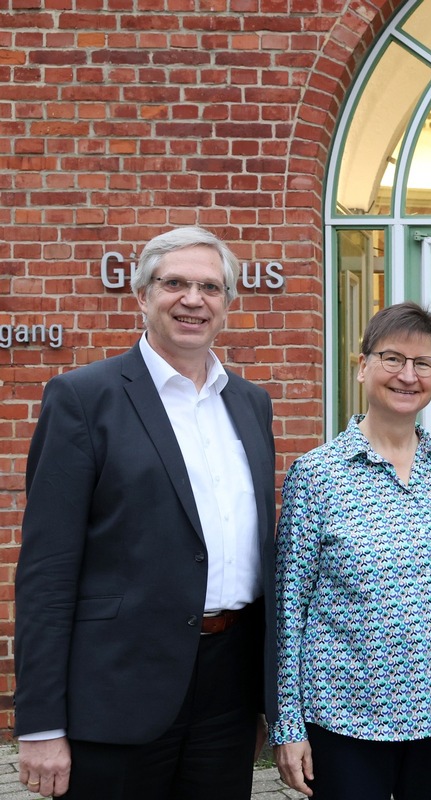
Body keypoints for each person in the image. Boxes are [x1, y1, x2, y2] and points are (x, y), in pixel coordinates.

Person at [15, 226, 277, 798]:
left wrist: (264, 701)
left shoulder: (251, 403)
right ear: (142, 296)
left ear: (227, 304)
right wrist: (39, 723)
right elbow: (47, 572)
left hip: (227, 690)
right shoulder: (84, 399)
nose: (193, 300)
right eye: (174, 283)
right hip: (117, 692)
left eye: (210, 287)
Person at [270, 302, 431, 800]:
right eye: (392, 359)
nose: (408, 375)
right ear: (362, 367)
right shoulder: (317, 476)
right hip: (347, 715)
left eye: (423, 363)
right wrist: (288, 723)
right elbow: (289, 609)